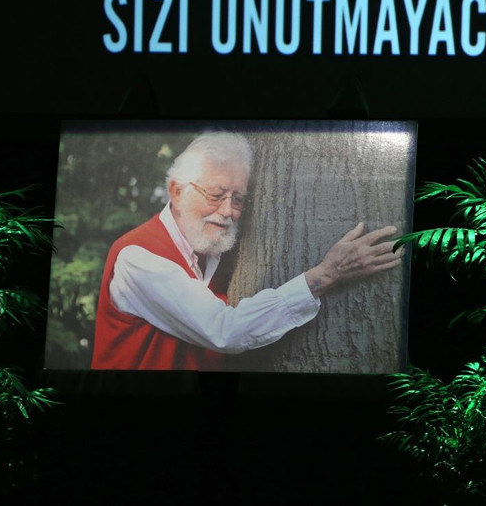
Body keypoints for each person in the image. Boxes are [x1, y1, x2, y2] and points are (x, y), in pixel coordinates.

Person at [91, 131, 402, 370]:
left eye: (238, 199)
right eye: (216, 194)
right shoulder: (139, 257)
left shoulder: (215, 249)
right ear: (176, 191)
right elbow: (225, 330)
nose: (228, 211)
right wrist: (325, 275)